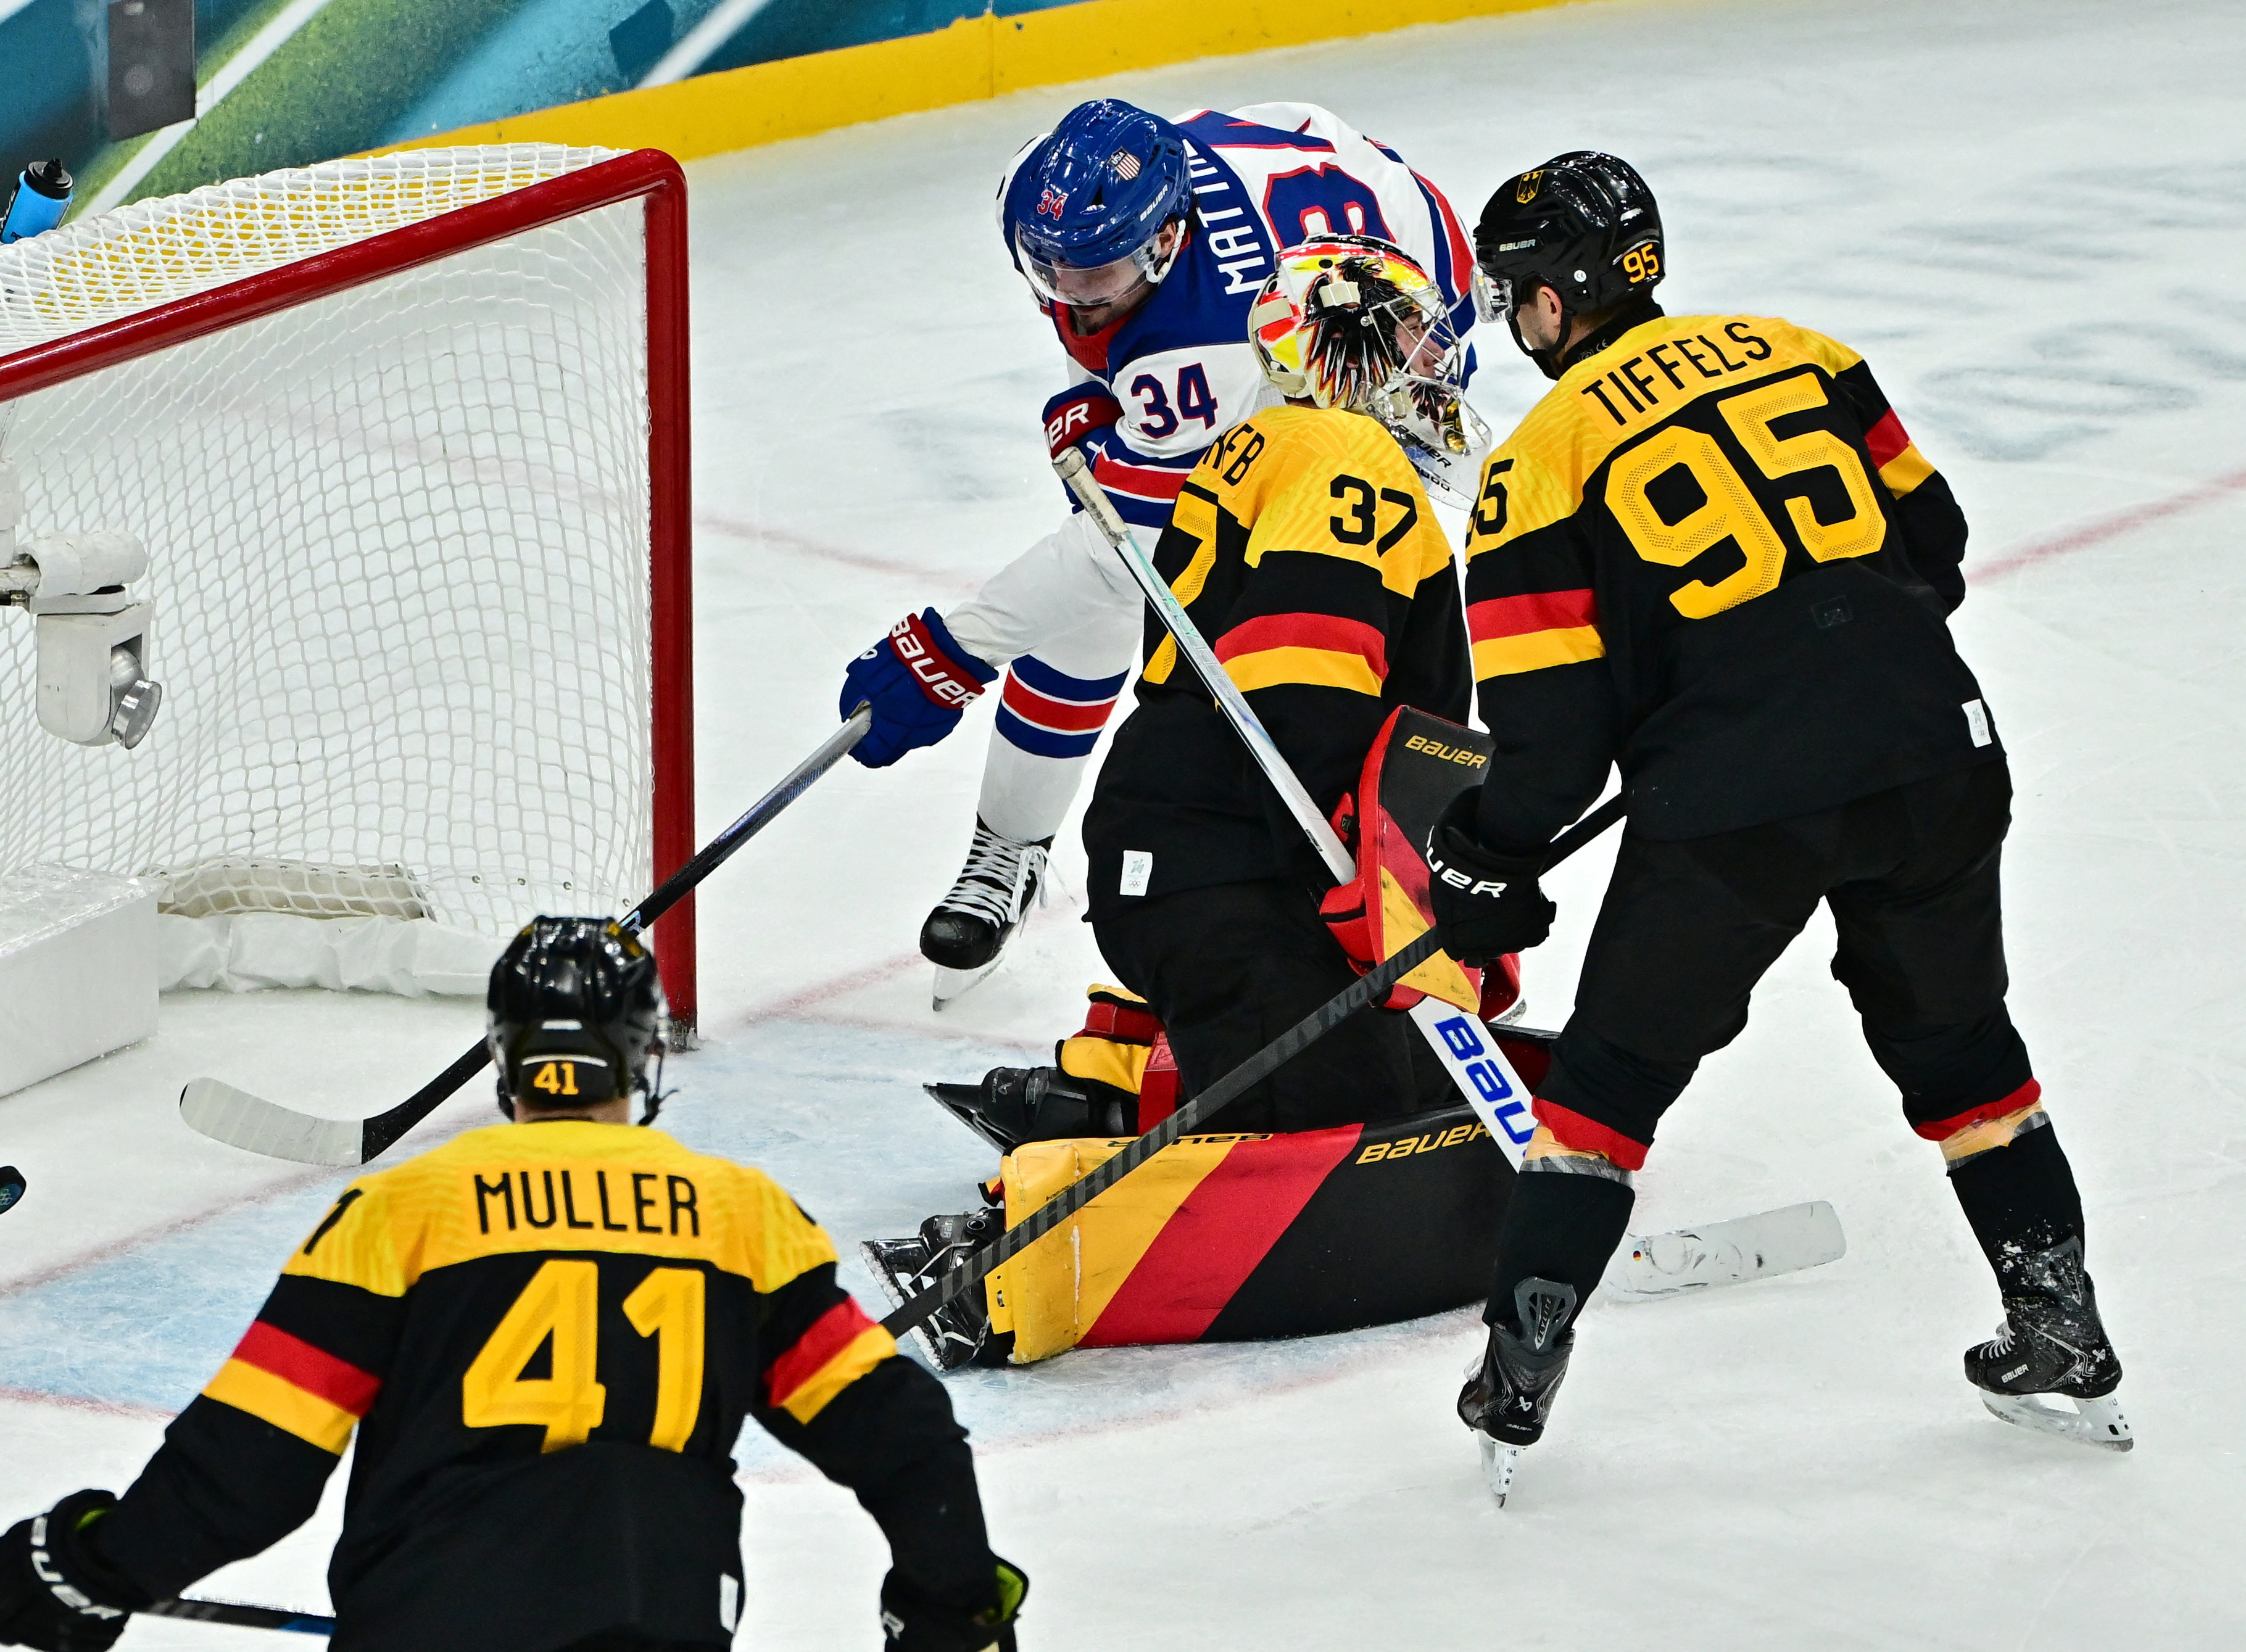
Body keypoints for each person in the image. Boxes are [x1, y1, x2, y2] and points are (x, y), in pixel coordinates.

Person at [1430, 151, 2129, 1498]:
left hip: (1731, 807)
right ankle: (2058, 1317)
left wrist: (1483, 852)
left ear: (1561, 300)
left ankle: (1520, 1356)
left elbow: (1553, 745)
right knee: (1963, 1049)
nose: (1513, 321)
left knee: (1610, 1084)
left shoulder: (1540, 460)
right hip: (1932, 753)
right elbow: (1936, 546)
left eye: (1517, 293)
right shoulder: (1804, 354)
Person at [0, 917, 1026, 1651]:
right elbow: (904, 1440)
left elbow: (254, 1456)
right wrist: (955, 1601)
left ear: (508, 1060)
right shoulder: (736, 1216)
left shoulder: (408, 1210)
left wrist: (98, 1567)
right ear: (641, 1060)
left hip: (431, 1612)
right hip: (662, 1610)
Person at [866, 235, 1511, 1371]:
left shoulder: (1272, 447)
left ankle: (1125, 1093)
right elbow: (1298, 710)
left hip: (1197, 857)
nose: (1431, 365)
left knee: (1407, 1090)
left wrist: (1418, 895)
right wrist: (1368, 897)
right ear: (1335, 349)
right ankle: (1016, 1248)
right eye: (1405, 337)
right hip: (1231, 871)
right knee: (1354, 1134)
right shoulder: (1345, 456)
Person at [837, 97, 1485, 1006]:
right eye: (1047, 268)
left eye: (1091, 272)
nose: (1065, 291)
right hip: (1335, 208)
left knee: (1259, 628)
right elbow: (1098, 313)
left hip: (1370, 338)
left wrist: (953, 646)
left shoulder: (1208, 345)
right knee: (1108, 575)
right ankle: (1010, 849)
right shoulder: (1064, 199)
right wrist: (1102, 396)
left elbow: (1128, 550)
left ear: (1164, 243)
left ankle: (1362, 887)